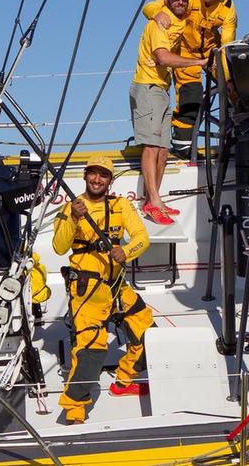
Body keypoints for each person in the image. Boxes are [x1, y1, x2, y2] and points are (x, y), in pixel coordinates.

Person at [53, 155, 155, 424]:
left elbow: (142, 238)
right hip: (88, 290)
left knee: (146, 331)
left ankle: (124, 382)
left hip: (118, 284)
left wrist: (126, 251)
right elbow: (59, 247)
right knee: (91, 350)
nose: (97, 179)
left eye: (104, 175)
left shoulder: (121, 205)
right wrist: (74, 218)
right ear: (85, 176)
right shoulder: (70, 208)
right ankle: (74, 411)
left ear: (110, 180)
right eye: (93, 174)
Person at [130, 0, 207, 224]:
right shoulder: (158, 24)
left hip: (162, 88)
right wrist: (200, 62)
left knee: (163, 150)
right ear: (166, 0)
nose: (181, 1)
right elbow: (162, 57)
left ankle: (154, 200)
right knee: (151, 146)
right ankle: (152, 201)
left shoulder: (181, 18)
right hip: (148, 86)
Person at [141, 0, 237, 159]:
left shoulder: (228, 10)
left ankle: (235, 140)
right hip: (185, 53)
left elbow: (227, 46)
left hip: (213, 53)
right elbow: (149, 6)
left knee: (234, 90)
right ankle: (182, 146)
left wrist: (226, 79)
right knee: (191, 97)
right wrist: (156, 14)